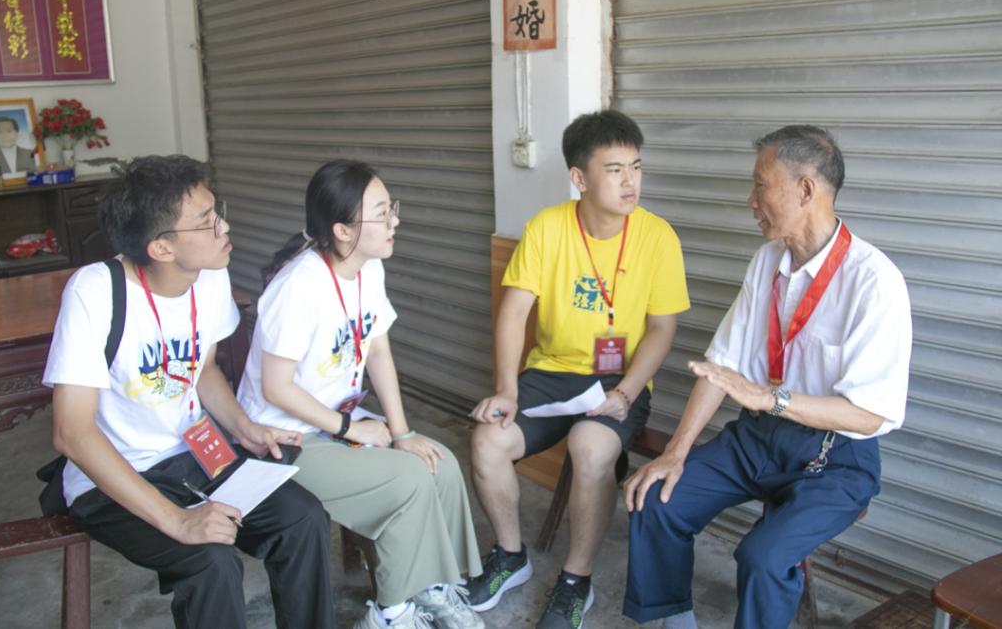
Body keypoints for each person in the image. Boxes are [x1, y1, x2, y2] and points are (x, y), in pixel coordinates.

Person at [622, 125, 913, 629]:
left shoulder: (874, 281)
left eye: (760, 185)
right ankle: (675, 621)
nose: (750, 200)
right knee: (656, 499)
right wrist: (676, 452)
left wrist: (769, 398)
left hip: (836, 457)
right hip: (758, 438)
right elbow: (721, 367)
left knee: (763, 557)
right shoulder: (768, 261)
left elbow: (868, 415)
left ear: (805, 190)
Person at [43, 155, 335, 628]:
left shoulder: (210, 275)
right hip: (114, 475)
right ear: (161, 248)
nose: (224, 227)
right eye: (206, 221)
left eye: (217, 212)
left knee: (302, 519)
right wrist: (177, 520)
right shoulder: (95, 291)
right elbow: (72, 433)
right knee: (210, 562)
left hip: (193, 457)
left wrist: (245, 427)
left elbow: (202, 370)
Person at [237, 159, 484, 629]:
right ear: (343, 230)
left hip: (337, 421)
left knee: (441, 464)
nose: (395, 222)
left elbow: (378, 351)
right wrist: (353, 429)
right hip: (285, 438)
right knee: (407, 481)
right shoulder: (298, 287)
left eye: (392, 208)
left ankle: (431, 586)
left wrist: (402, 432)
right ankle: (391, 613)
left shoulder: (368, 269)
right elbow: (275, 387)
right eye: (383, 213)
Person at [468, 109, 690, 629]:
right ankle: (511, 555)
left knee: (591, 448)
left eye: (635, 166)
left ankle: (576, 579)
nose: (630, 181)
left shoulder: (658, 236)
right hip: (551, 372)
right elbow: (514, 312)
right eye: (614, 169)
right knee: (487, 439)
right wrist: (506, 390)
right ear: (579, 178)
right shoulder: (547, 228)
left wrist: (628, 391)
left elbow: (662, 328)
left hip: (618, 379)